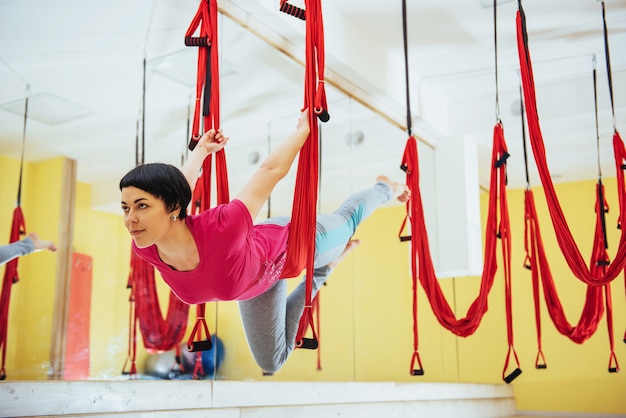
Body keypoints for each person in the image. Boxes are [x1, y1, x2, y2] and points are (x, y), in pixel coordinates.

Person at [120, 109, 410, 373]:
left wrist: (302, 131)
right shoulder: (146, 248)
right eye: (125, 207)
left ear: (172, 208)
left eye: (141, 206)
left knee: (347, 222)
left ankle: (385, 187)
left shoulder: (223, 227)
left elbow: (269, 172)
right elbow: (179, 188)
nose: (130, 219)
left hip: (293, 243)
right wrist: (201, 152)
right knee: (271, 361)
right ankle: (326, 268)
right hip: (255, 282)